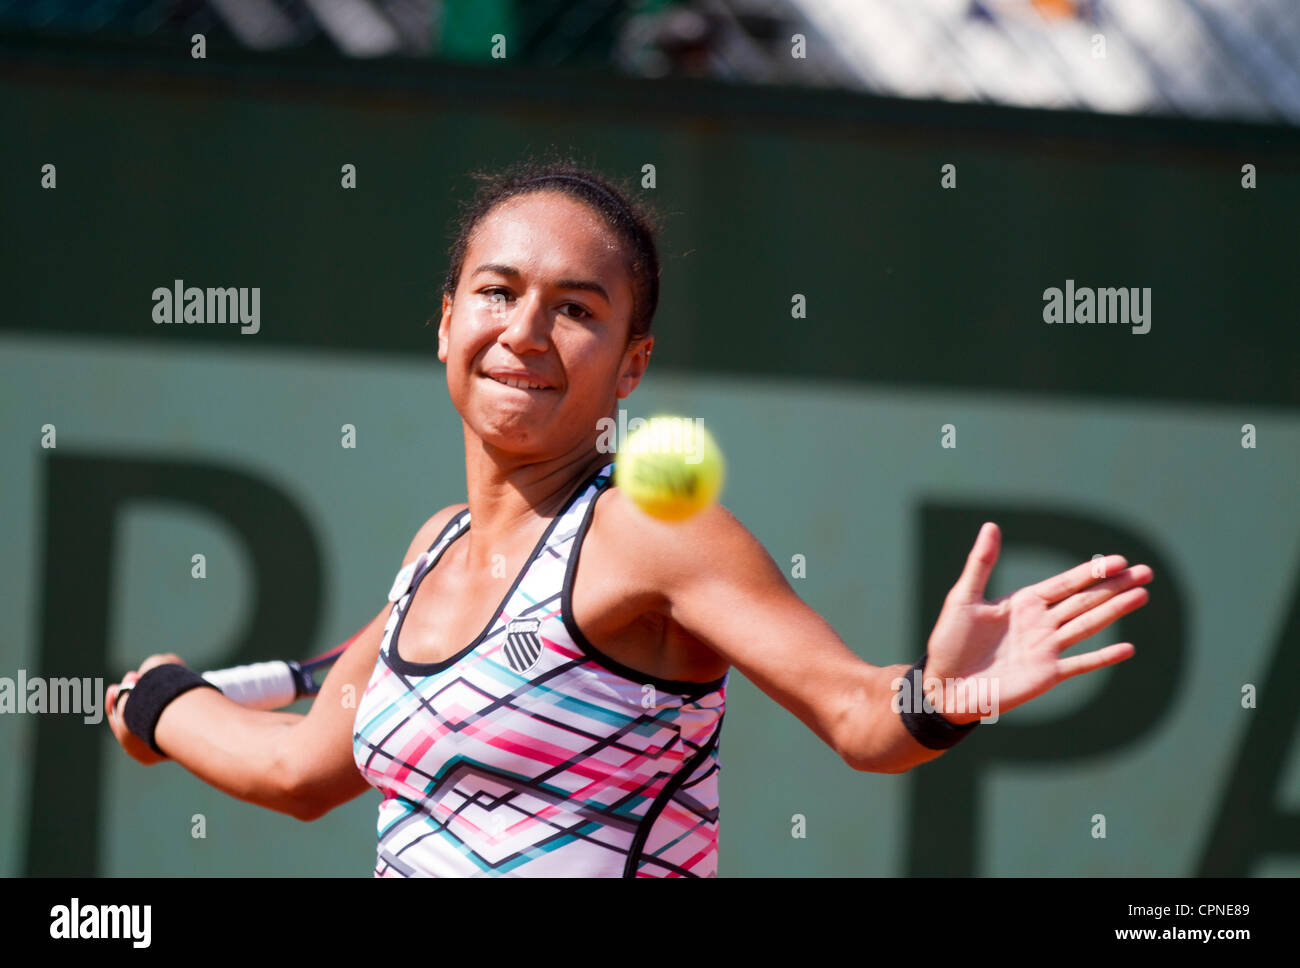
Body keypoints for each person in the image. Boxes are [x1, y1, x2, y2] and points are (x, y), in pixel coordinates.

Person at [107, 160, 1153, 877]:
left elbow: (857, 716)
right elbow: (299, 771)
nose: (524, 330)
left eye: (575, 307)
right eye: (495, 291)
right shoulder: (433, 549)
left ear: (630, 367)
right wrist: (163, 703)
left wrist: (949, 693)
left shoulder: (653, 535)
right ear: (444, 323)